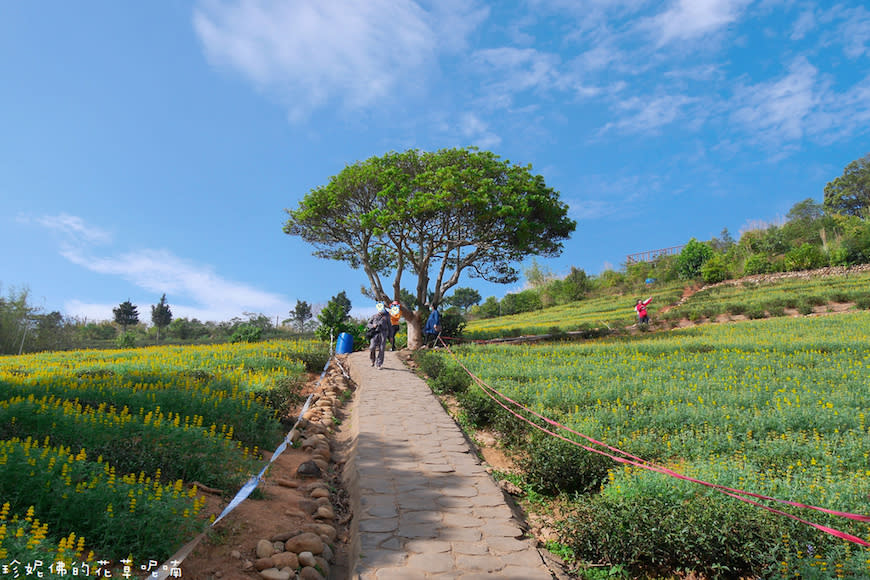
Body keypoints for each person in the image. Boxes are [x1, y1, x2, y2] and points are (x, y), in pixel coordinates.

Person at [367, 302, 392, 369]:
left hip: (383, 333)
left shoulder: (387, 317)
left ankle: (379, 364)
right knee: (372, 347)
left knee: (382, 348)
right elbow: (368, 324)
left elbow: (390, 327)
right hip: (375, 333)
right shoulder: (374, 316)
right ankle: (372, 360)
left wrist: (390, 336)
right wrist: (373, 326)